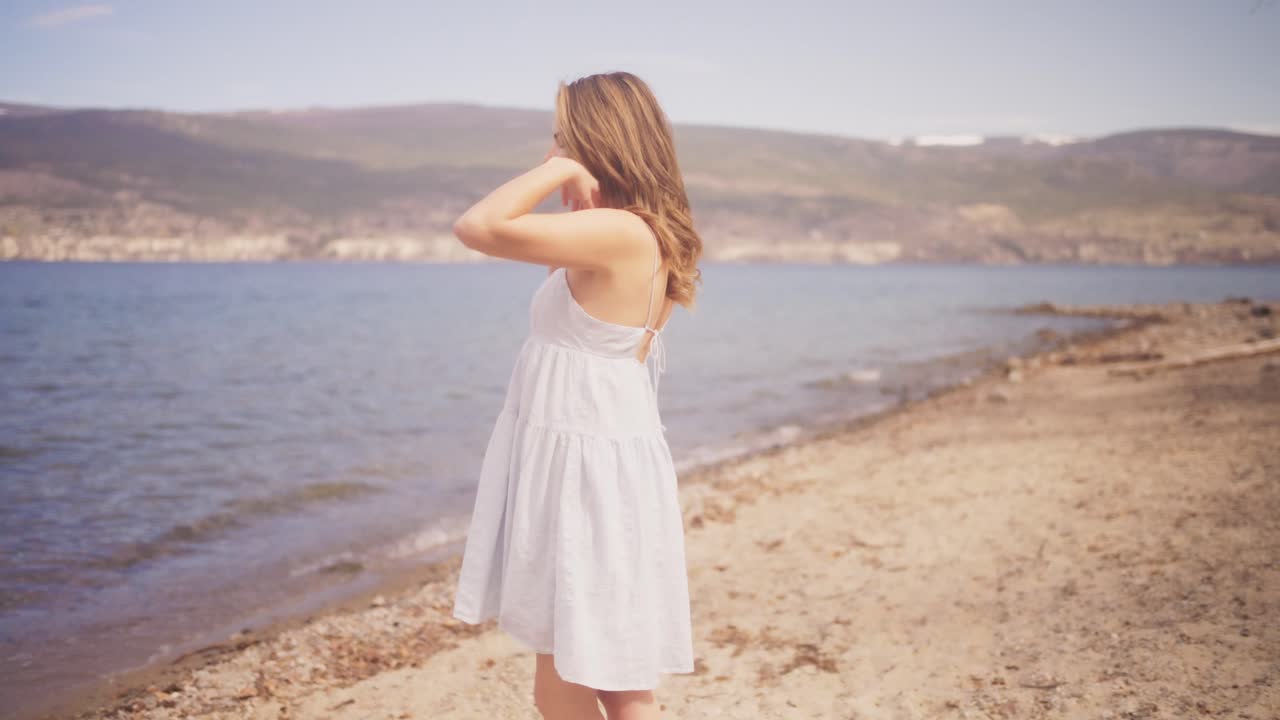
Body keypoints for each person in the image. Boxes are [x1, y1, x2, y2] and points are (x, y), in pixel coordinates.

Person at [449, 71, 704, 720]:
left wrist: (562, 168)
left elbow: (478, 225)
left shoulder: (619, 233)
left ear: (600, 144)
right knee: (619, 678)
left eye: (564, 140)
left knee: (561, 683)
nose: (551, 155)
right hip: (606, 457)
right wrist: (575, 175)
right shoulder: (640, 232)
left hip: (582, 469)